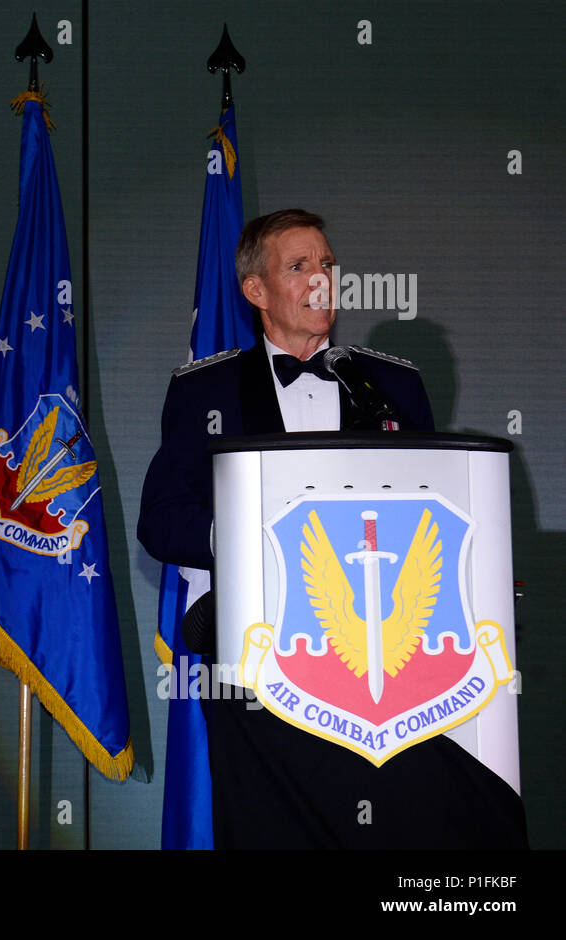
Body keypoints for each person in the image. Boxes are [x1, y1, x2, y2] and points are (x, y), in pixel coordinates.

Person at [138, 208, 527, 848]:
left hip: (394, 673)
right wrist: (234, 537)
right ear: (255, 291)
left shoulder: (392, 382)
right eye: (299, 266)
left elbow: (435, 501)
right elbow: (160, 520)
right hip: (260, 664)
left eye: (327, 264)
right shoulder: (202, 392)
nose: (321, 279)